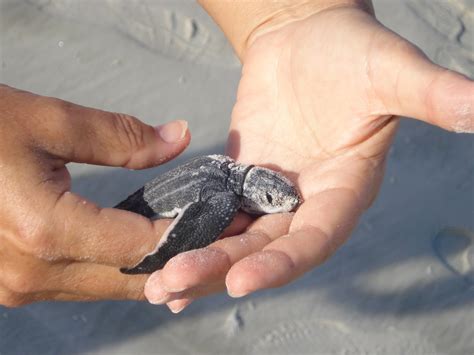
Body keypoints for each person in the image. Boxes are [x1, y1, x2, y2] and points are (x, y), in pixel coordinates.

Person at [0, 0, 472, 312]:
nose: (285, 202)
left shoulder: (240, 183)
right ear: (252, 191)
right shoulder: (225, 192)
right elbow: (214, 205)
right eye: (274, 197)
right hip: (150, 205)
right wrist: (159, 253)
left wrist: (298, 11)